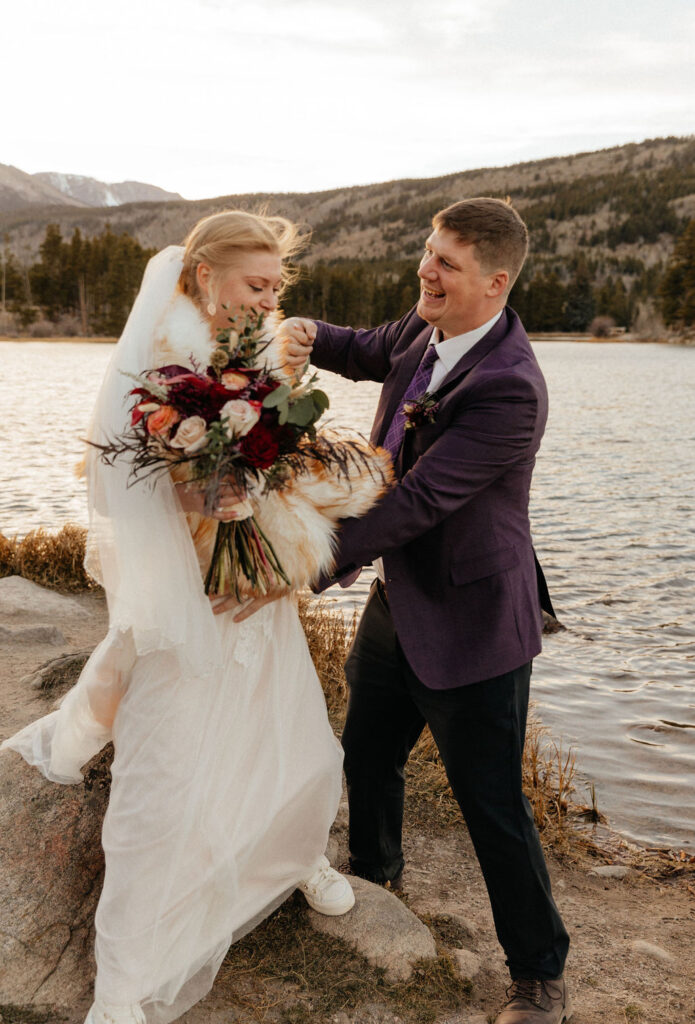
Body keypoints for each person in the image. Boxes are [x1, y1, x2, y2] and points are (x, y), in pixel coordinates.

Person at [1, 210, 358, 1024]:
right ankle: (125, 988)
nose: (267, 301)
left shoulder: (254, 354)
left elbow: (274, 455)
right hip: (183, 580)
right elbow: (140, 485)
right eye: (254, 285)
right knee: (161, 779)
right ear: (204, 276)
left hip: (246, 576)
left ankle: (291, 850)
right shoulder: (164, 361)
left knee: (287, 723)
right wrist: (210, 491)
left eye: (276, 287)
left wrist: (263, 495)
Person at [280, 198, 572, 1024]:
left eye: (444, 262)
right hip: (398, 600)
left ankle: (539, 978)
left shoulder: (510, 387)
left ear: (494, 281)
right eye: (425, 252)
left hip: (475, 621)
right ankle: (375, 879)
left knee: (493, 807)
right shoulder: (424, 329)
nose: (424, 271)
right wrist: (302, 328)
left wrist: (297, 560)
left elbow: (419, 500)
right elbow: (363, 348)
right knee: (366, 754)